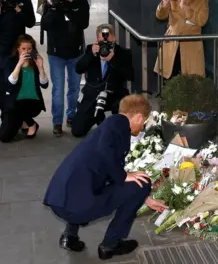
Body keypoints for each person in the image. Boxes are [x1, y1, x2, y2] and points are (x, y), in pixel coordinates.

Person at [43, 94, 168, 260]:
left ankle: (69, 236)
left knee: (100, 182)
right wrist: (123, 176)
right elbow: (106, 154)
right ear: (138, 117)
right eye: (143, 122)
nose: (142, 127)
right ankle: (111, 245)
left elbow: (104, 168)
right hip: (76, 208)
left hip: (60, 200)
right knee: (142, 183)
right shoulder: (119, 126)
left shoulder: (110, 125)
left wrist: (145, 199)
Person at [72, 23, 133, 137]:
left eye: (108, 40)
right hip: (93, 95)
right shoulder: (91, 49)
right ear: (97, 40)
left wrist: (113, 60)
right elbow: (78, 69)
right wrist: (91, 54)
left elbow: (130, 75)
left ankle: (112, 123)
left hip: (114, 94)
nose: (105, 44)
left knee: (121, 124)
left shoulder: (123, 52)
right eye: (102, 41)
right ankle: (97, 117)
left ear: (114, 38)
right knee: (77, 130)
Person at [41, 0, 90, 137]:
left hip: (76, 52)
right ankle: (57, 122)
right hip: (56, 53)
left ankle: (71, 115)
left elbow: (84, 23)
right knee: (58, 89)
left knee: (74, 87)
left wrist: (68, 9)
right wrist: (53, 9)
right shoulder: (52, 0)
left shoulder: (81, 1)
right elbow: (44, 24)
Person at [0, 0, 35, 112]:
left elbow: (30, 22)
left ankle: (23, 119)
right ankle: (6, 118)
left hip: (17, 50)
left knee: (20, 84)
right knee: (3, 85)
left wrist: (19, 10)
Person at [0, 34, 49, 142]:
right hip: (14, 102)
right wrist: (19, 64)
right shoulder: (10, 61)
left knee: (18, 104)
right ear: (18, 49)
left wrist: (41, 68)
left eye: (29, 49)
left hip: (32, 100)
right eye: (23, 49)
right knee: (4, 137)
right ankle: (22, 121)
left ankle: (31, 124)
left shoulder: (35, 61)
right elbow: (10, 83)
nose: (26, 51)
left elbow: (45, 85)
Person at [154, 0, 209, 79]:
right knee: (168, 80)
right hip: (171, 44)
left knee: (191, 82)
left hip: (191, 45)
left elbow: (202, 19)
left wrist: (185, 8)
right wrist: (164, 4)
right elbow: (160, 15)